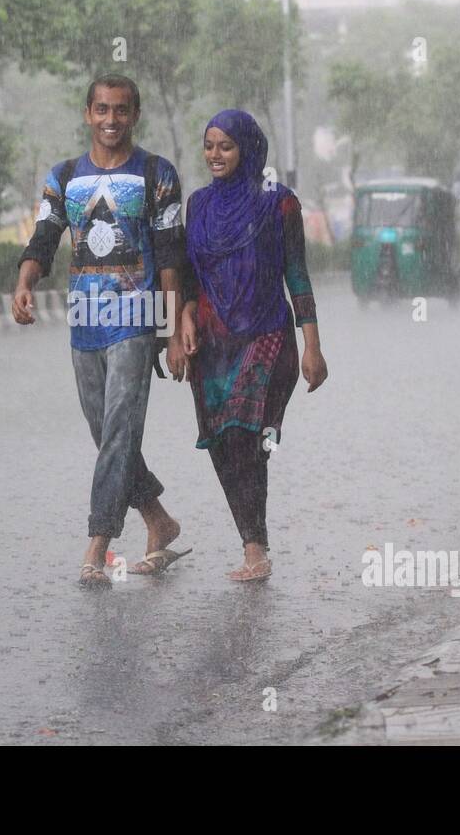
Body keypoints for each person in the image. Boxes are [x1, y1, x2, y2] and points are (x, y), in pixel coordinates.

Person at [11, 75, 189, 587]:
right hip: (85, 321)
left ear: (136, 115)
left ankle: (98, 542)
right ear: (88, 113)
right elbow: (43, 239)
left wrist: (173, 328)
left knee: (117, 429)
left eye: (122, 111)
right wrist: (24, 283)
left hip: (138, 316)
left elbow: (172, 256)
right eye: (102, 110)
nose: (111, 120)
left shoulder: (158, 173)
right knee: (106, 431)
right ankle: (159, 520)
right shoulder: (64, 176)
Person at [179, 110, 328, 582]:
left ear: (247, 148)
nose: (215, 155)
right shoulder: (198, 205)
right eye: (209, 146)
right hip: (211, 341)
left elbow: (296, 274)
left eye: (225, 146)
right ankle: (253, 543)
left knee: (247, 433)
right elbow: (186, 276)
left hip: (266, 333)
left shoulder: (278, 203)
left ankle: (255, 550)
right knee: (222, 442)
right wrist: (181, 318)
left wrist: (312, 346)